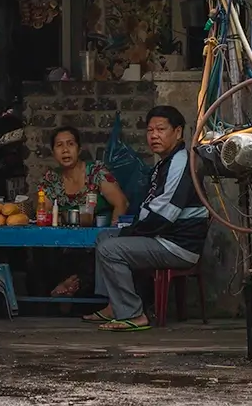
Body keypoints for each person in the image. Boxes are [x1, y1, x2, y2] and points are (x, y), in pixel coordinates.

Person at [87, 105, 208, 330]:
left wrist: (131, 231)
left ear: (178, 132)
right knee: (104, 237)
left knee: (110, 248)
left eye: (161, 129)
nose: (154, 135)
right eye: (150, 130)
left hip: (177, 245)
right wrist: (129, 230)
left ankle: (133, 314)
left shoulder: (181, 162)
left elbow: (163, 216)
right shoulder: (164, 163)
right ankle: (116, 305)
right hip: (162, 238)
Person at [42, 126, 129, 295]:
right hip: (64, 244)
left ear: (79, 149)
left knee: (89, 254)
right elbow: (44, 212)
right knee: (42, 251)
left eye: (70, 144)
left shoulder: (95, 172)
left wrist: (112, 233)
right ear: (53, 152)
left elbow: (122, 203)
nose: (65, 150)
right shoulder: (52, 179)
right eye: (59, 145)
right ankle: (62, 289)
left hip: (96, 241)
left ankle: (70, 287)